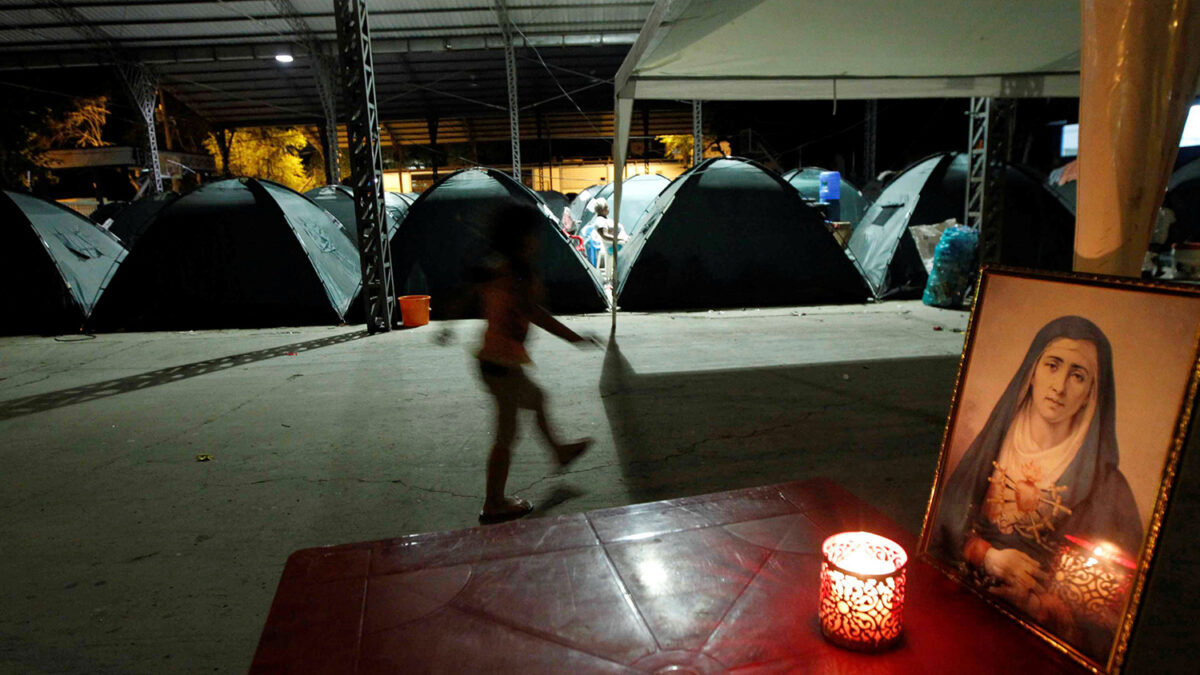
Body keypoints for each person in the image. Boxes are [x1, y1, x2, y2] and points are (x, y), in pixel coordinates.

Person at [929, 316, 1143, 660]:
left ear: (1092, 392)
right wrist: (987, 556)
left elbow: (1110, 602)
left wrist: (1040, 605)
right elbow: (942, 527)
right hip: (962, 595)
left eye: (1078, 375)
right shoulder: (992, 444)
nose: (1059, 386)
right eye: (1053, 365)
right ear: (1032, 371)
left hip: (1038, 641)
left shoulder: (1107, 487)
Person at [475, 202, 597, 524]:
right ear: (520, 238)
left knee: (538, 400)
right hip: (500, 364)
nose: (538, 241)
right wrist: (574, 338)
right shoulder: (514, 274)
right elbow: (535, 314)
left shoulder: (498, 266)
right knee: (507, 432)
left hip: (496, 361)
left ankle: (558, 451)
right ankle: (494, 503)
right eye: (533, 235)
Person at [588, 197, 628, 276]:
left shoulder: (604, 219)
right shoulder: (600, 221)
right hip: (614, 247)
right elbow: (605, 236)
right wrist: (620, 239)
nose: (608, 208)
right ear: (602, 209)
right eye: (607, 207)